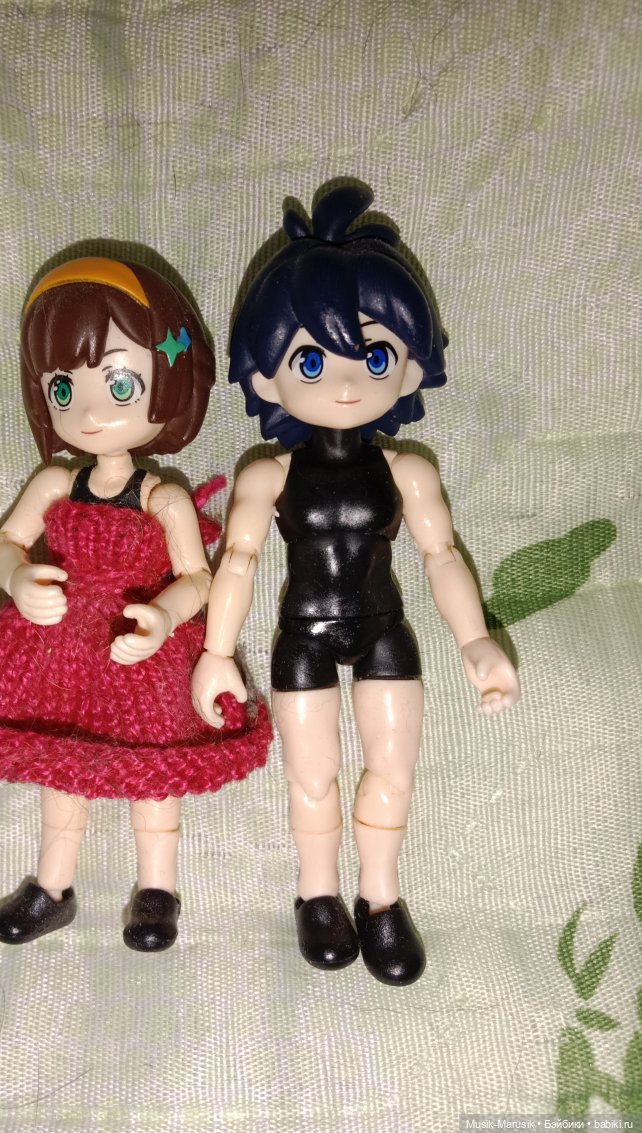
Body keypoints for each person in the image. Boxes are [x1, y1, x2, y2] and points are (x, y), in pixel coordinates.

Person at [191, 184, 520, 981]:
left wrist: (475, 639)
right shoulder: (268, 474)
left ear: (408, 368)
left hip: (382, 628)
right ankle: (317, 894)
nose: (344, 383)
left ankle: (380, 895)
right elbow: (237, 562)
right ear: (267, 378)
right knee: (313, 776)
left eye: (373, 357)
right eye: (310, 360)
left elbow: (443, 557)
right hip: (302, 635)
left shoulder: (407, 469)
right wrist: (216, 652)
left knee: (392, 769)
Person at [0, 256, 270, 952]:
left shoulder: (161, 498)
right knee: (57, 762)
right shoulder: (55, 483)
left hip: (139, 651)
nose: (92, 413)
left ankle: (157, 890)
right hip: (57, 648)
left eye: (120, 384)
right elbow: (3, 542)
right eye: (65, 389)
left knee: (154, 767)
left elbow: (199, 577)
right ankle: (53, 886)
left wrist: (164, 615)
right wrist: (17, 578)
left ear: (169, 386)